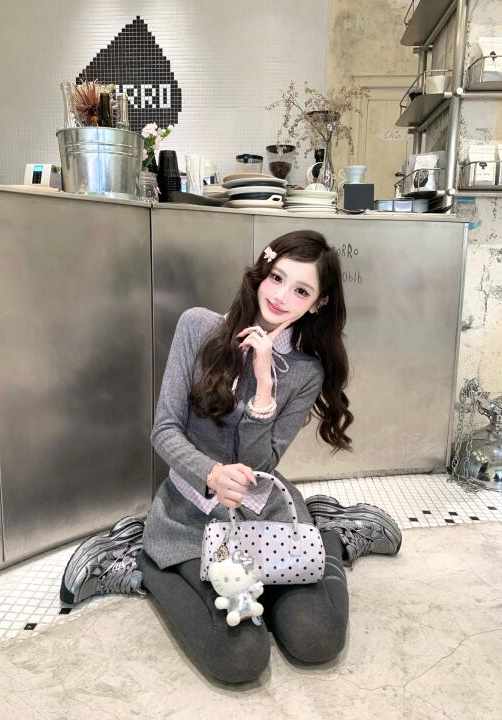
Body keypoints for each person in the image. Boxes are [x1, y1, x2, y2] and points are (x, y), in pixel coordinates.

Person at [60, 229, 401, 684]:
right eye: (277, 278)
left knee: (316, 638)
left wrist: (264, 386)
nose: (281, 296)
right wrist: (212, 474)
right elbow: (164, 430)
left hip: (264, 515)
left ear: (317, 304)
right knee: (240, 657)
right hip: (192, 518)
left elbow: (261, 466)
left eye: (301, 291)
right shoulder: (199, 327)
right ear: (262, 273)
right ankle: (141, 559)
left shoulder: (305, 371)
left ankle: (331, 536)